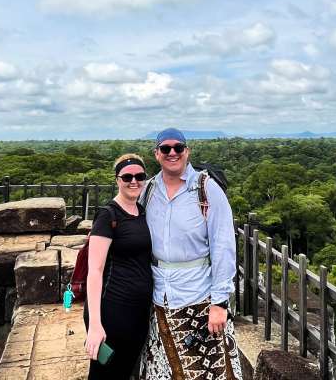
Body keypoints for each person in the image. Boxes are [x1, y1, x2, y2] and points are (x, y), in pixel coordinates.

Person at [141, 128, 243, 380]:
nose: (172, 153)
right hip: (159, 297)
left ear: (187, 152)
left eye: (178, 148)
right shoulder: (149, 190)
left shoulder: (207, 190)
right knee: (164, 371)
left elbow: (224, 247)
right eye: (166, 149)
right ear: (157, 154)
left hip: (199, 295)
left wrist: (220, 303)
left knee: (211, 371)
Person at [84, 153, 154, 379]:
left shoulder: (142, 212)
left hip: (138, 310)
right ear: (117, 180)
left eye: (139, 176)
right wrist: (95, 325)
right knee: (105, 373)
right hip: (112, 309)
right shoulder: (108, 216)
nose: (134, 181)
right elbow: (94, 270)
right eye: (127, 177)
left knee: (125, 370)